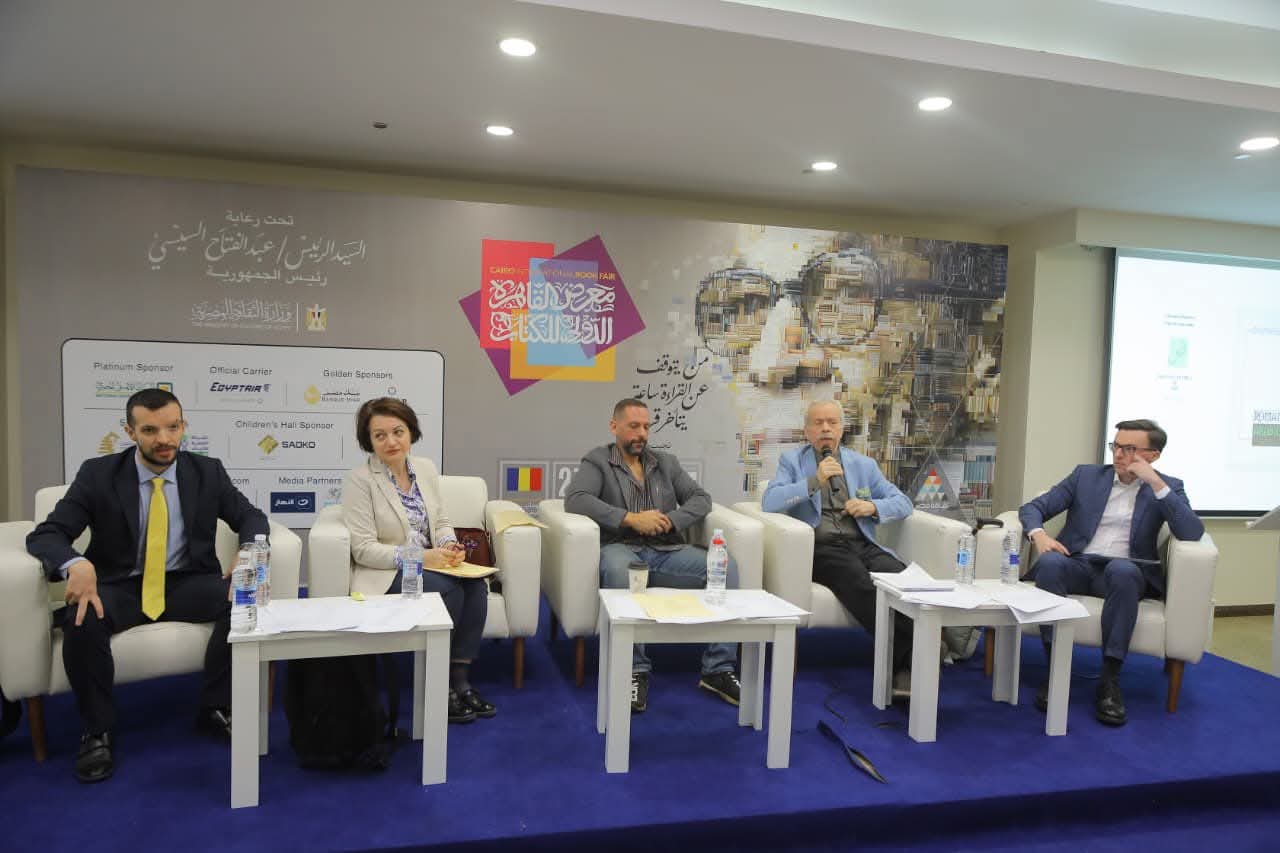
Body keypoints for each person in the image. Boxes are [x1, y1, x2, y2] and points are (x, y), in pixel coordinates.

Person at [26, 388, 268, 783]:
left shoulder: (207, 472)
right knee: (82, 617)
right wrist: (75, 563)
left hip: (186, 582)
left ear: (183, 426)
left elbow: (252, 517)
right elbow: (47, 534)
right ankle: (97, 730)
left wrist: (250, 551)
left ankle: (216, 706)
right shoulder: (98, 474)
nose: (164, 439)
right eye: (150, 430)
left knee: (244, 601)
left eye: (173, 427)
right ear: (130, 432)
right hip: (120, 584)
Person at [1020, 419, 1203, 726]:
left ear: (1153, 455)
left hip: (1123, 573)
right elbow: (1033, 508)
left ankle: (1110, 680)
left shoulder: (1168, 486)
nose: (1118, 454)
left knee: (1122, 571)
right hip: (1078, 563)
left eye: (1129, 449)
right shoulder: (1086, 476)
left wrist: (1156, 483)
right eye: (1115, 446)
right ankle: (1056, 670)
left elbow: (1192, 532)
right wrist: (1038, 535)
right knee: (1050, 563)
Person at [565, 398, 741, 713]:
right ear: (614, 426)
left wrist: (671, 520)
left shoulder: (665, 462)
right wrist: (630, 518)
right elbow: (576, 499)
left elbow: (701, 498)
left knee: (725, 567)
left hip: (666, 551)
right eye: (634, 426)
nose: (642, 434)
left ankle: (718, 668)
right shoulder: (598, 461)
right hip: (620, 548)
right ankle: (633, 670)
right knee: (619, 571)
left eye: (646, 427)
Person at [342, 397, 494, 725]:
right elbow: (364, 550)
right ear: (368, 440)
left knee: (476, 588)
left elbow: (440, 521)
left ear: (411, 432)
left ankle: (460, 681)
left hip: (433, 562)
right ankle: (437, 686)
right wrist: (422, 557)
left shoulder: (424, 469)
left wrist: (449, 544)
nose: (391, 441)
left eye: (398, 432)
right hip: (388, 572)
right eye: (380, 435)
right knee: (448, 589)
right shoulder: (360, 480)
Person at [762, 400, 915, 696]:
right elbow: (770, 502)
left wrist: (873, 506)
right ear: (807, 431)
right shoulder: (792, 462)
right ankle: (909, 660)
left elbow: (903, 502)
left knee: (902, 578)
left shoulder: (863, 465)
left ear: (842, 429)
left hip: (862, 541)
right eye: (818, 423)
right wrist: (814, 481)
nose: (825, 429)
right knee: (858, 579)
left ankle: (910, 656)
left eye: (832, 422)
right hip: (823, 548)